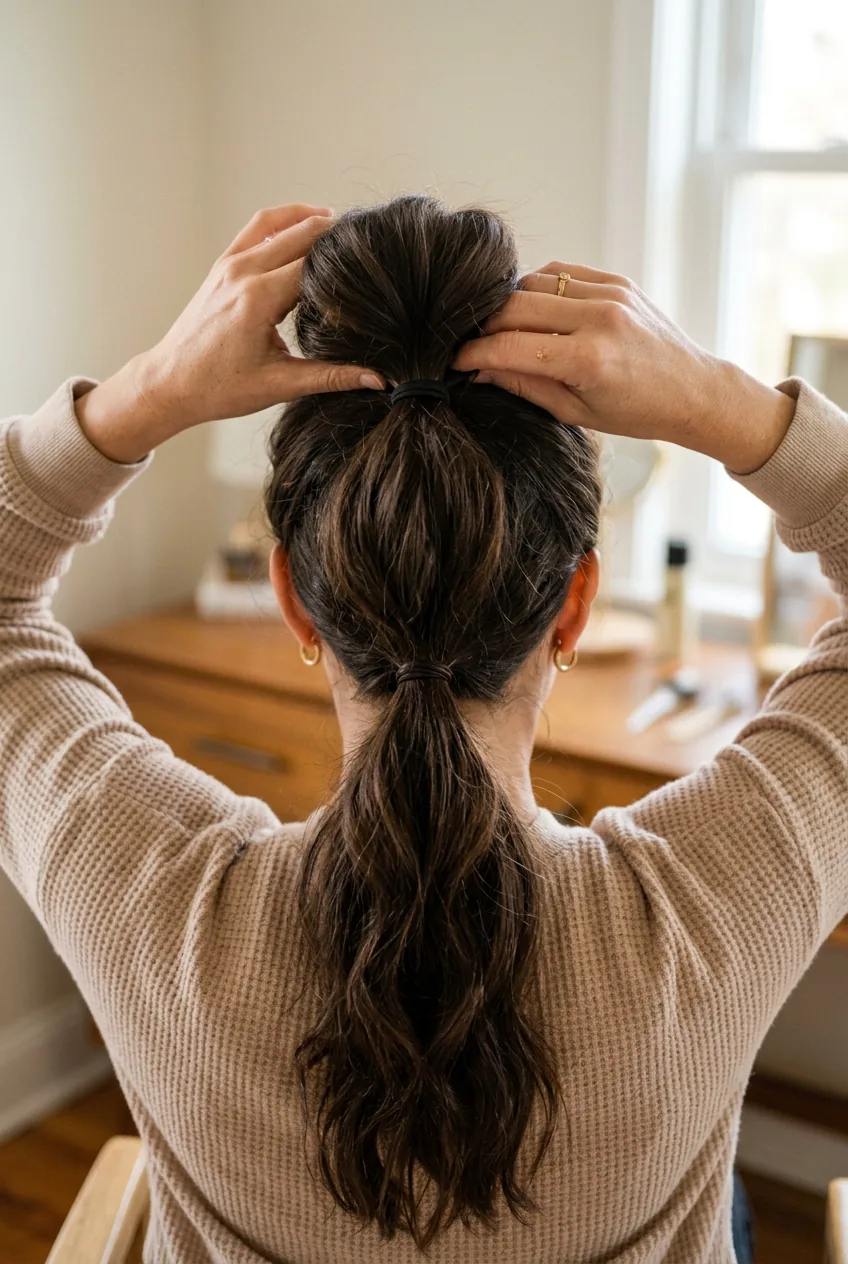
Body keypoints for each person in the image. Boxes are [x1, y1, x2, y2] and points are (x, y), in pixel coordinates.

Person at [0, 194, 842, 1263]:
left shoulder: (159, 906)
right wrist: (724, 407)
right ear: (574, 604)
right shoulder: (713, 905)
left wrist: (145, 394)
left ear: (294, 602)